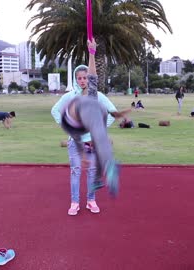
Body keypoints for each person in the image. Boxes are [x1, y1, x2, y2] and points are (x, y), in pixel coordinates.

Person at [51, 38, 130, 216]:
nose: (82, 80)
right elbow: (55, 111)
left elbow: (112, 111)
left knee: (93, 171)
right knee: (76, 171)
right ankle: (74, 202)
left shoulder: (96, 95)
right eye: (79, 78)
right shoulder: (69, 96)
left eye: (85, 77)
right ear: (75, 79)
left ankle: (91, 200)